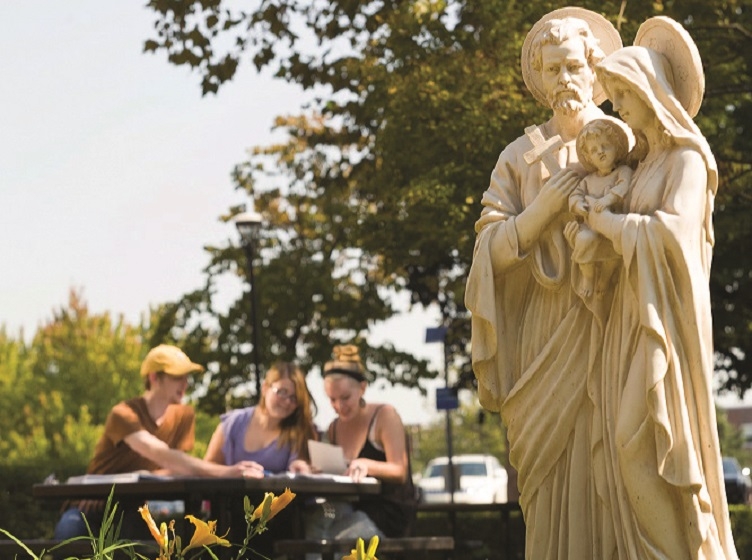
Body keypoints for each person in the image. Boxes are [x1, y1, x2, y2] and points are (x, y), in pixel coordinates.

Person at [464, 8, 622, 559]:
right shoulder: (519, 156)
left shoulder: (629, 144)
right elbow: (486, 252)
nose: (563, 82)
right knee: (547, 482)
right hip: (543, 336)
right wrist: (539, 214)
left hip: (608, 328)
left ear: (594, 68)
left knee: (612, 466)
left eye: (573, 67)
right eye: (551, 70)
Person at [586, 17, 738, 559]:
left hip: (668, 316)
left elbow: (673, 234)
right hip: (636, 311)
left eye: (625, 94)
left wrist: (607, 226)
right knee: (631, 445)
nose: (618, 106)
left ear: (653, 93)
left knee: (641, 439)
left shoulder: (688, 159)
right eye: (616, 95)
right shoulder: (645, 162)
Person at [53, 344, 262, 540]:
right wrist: (225, 471)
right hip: (92, 503)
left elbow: (178, 467)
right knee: (69, 535)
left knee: (149, 542)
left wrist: (138, 479)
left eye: (186, 376)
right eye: (177, 377)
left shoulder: (184, 416)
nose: (185, 383)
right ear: (154, 377)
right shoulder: (124, 414)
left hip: (135, 507)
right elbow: (161, 454)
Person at [304, 344, 415, 543]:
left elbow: (400, 471)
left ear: (362, 387)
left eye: (345, 398)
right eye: (332, 400)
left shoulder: (385, 416)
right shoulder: (334, 427)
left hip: (387, 513)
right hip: (351, 507)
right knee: (314, 526)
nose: (339, 406)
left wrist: (366, 464)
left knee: (339, 540)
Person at [204, 361, 317, 473]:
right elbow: (207, 467)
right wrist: (233, 472)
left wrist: (300, 467)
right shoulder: (234, 422)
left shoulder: (299, 431)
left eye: (294, 398)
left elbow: (303, 471)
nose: (287, 402)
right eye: (282, 392)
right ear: (265, 388)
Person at [568, 118, 632, 299]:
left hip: (613, 227)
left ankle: (605, 278)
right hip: (591, 229)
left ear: (616, 146)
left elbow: (623, 186)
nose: (601, 152)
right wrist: (578, 205)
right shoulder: (588, 181)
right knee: (583, 240)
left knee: (612, 257)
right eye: (594, 150)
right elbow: (575, 195)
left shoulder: (623, 171)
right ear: (588, 157)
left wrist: (608, 199)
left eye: (605, 145)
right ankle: (588, 278)